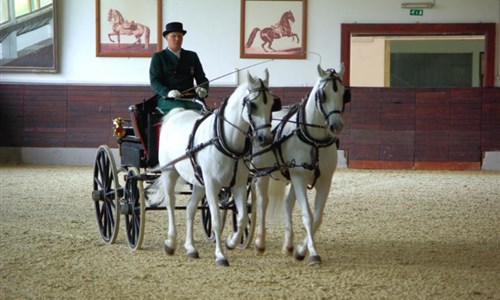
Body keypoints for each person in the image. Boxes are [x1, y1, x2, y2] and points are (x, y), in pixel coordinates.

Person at [149, 22, 209, 114]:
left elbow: (201, 78)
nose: (177, 39)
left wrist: (203, 88)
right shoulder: (158, 57)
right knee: (180, 110)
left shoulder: (192, 56)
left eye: (180, 36)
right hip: (167, 99)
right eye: (174, 36)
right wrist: (168, 92)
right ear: (166, 38)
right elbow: (154, 81)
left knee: (206, 113)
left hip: (190, 98)